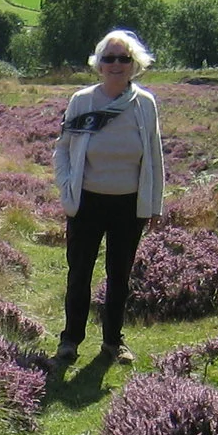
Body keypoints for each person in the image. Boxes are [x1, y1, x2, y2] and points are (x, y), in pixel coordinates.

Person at [51, 28, 165, 366]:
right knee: (80, 272)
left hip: (129, 204)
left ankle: (114, 342)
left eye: (124, 58)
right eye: (109, 58)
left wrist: (154, 203)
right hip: (87, 201)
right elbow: (63, 151)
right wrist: (67, 185)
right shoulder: (82, 101)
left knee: (119, 275)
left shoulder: (144, 104)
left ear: (134, 64)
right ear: (99, 64)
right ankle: (70, 341)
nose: (116, 64)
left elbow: (155, 157)